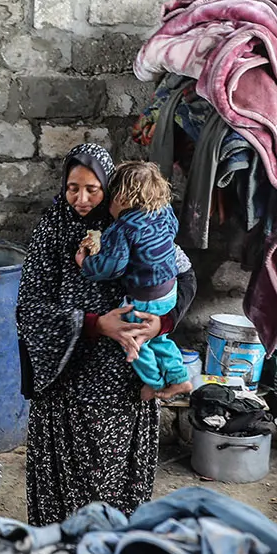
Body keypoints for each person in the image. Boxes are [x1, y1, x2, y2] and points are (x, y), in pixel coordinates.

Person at [17, 142, 196, 526]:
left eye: (92, 189)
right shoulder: (53, 231)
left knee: (113, 487)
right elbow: (29, 308)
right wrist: (97, 323)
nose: (81, 199)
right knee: (66, 495)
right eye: (72, 188)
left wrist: (161, 324)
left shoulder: (137, 221)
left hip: (123, 387)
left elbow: (183, 276)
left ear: (110, 191)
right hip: (68, 385)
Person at [74, 160, 193, 401]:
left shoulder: (124, 227)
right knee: (159, 337)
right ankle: (180, 379)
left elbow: (113, 267)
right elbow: (171, 235)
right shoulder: (165, 212)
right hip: (170, 290)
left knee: (137, 340)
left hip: (145, 296)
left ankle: (153, 384)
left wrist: (85, 263)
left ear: (121, 197)